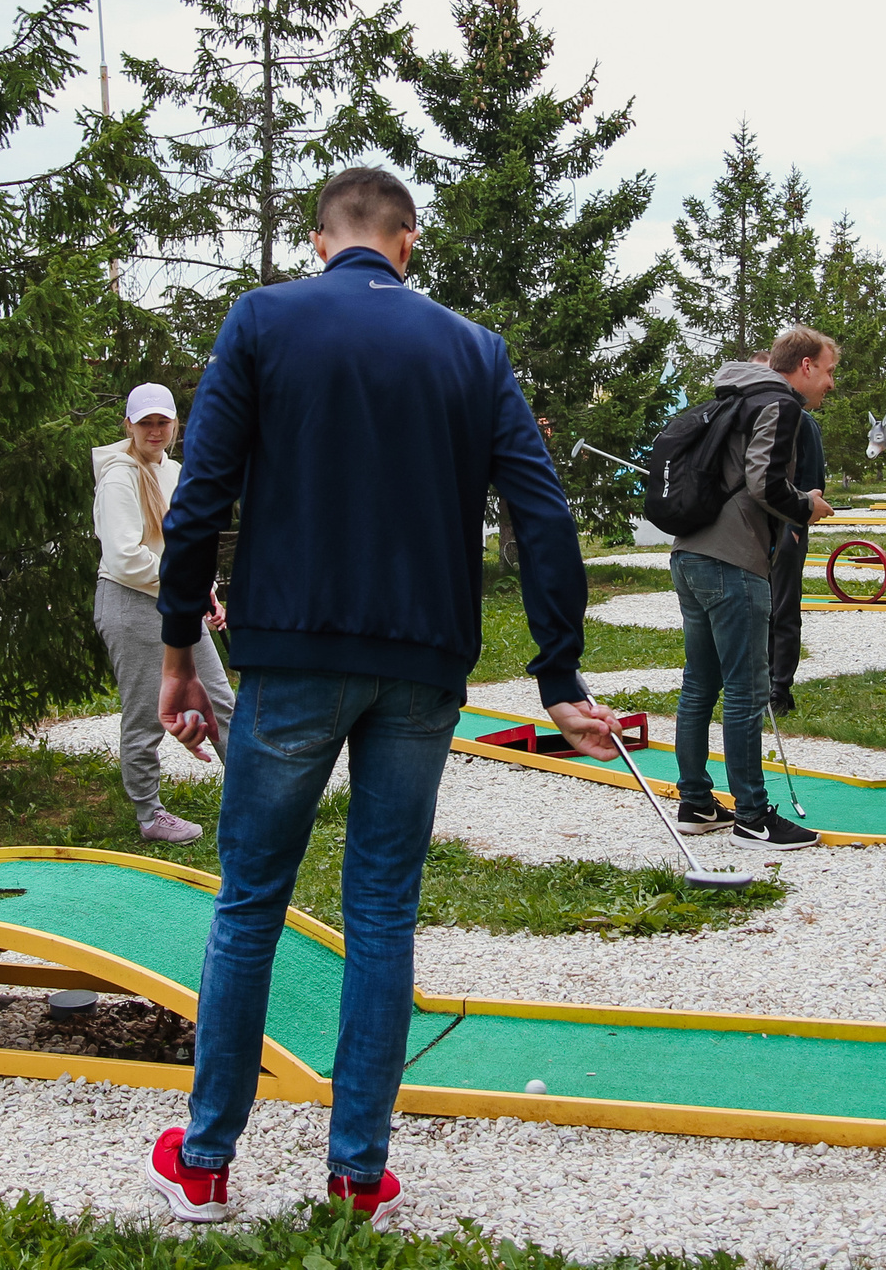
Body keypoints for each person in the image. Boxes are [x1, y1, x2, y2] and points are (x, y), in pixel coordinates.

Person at [141, 166, 621, 1227]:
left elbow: (199, 501)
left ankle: (208, 1162)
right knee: (382, 911)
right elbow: (541, 514)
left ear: (324, 241)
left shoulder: (263, 320)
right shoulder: (471, 349)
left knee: (250, 903)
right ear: (407, 242)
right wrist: (558, 674)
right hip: (420, 667)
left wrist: (179, 653)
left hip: (290, 653)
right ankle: (357, 1172)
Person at [669, 327, 838, 851]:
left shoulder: (732, 396)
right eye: (829, 371)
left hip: (689, 550)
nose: (830, 383)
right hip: (732, 559)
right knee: (745, 690)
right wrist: (807, 506)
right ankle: (753, 817)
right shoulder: (780, 405)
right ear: (805, 366)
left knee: (700, 683)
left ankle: (696, 800)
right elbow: (765, 482)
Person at [91, 381, 233, 845]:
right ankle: (150, 815)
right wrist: (186, 586)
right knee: (145, 714)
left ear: (175, 425)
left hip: (176, 600)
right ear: (128, 424)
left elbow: (185, 548)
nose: (155, 431)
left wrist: (205, 589)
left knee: (218, 700)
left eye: (163, 422)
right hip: (130, 603)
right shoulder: (119, 476)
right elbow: (126, 558)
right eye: (145, 422)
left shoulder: (173, 472)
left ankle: (254, 799)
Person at [762, 362, 833, 717]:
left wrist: (795, 526)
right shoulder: (761, 419)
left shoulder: (804, 423)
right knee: (758, 609)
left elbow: (814, 481)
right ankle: (758, 682)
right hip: (755, 532)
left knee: (783, 608)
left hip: (789, 527)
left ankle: (780, 688)